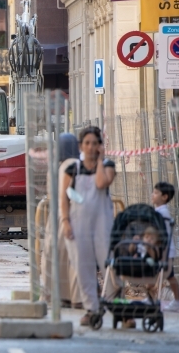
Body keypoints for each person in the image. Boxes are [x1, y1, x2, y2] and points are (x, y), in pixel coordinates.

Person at [59, 126, 116, 327]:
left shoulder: (108, 165)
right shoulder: (71, 169)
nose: (91, 147)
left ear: (100, 145)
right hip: (78, 224)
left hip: (102, 224)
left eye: (95, 143)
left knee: (109, 265)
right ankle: (91, 308)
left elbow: (101, 183)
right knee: (83, 268)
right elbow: (64, 198)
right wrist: (65, 221)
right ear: (80, 146)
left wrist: (99, 160)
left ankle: (119, 308)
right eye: (87, 143)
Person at [41, 133, 82, 309]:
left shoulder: (55, 167)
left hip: (55, 215)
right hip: (71, 213)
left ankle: (55, 295)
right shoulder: (74, 165)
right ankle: (76, 297)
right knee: (73, 258)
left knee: (53, 255)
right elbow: (73, 193)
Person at [152, 182, 179, 311]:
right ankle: (177, 300)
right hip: (161, 251)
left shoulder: (163, 213)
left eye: (156, 193)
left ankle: (177, 300)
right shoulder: (158, 211)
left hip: (165, 251)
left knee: (167, 276)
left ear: (165, 197)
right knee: (168, 276)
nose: (153, 195)